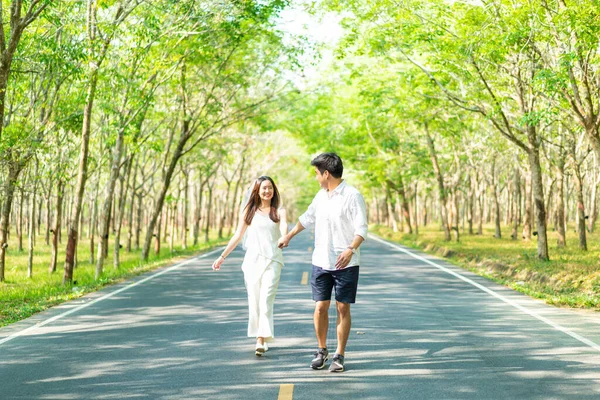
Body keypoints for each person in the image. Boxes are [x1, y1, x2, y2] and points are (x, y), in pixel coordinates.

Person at [278, 153, 367, 373]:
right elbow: (306, 218)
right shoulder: (320, 196)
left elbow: (361, 230)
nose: (316, 177)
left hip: (345, 262)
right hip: (320, 261)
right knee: (320, 307)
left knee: (342, 307)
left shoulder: (353, 196)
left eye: (317, 173)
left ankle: (340, 354)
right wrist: (288, 236)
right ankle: (321, 350)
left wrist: (350, 249)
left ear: (326, 173)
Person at [212, 176, 287, 356]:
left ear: (274, 190)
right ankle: (259, 336)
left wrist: (284, 237)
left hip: (273, 260)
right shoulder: (249, 211)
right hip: (252, 262)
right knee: (254, 300)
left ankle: (261, 338)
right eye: (264, 188)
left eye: (270, 188)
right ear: (257, 191)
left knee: (266, 298)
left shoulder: (279, 211)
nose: (267, 191)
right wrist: (222, 256)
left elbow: (284, 227)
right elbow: (238, 235)